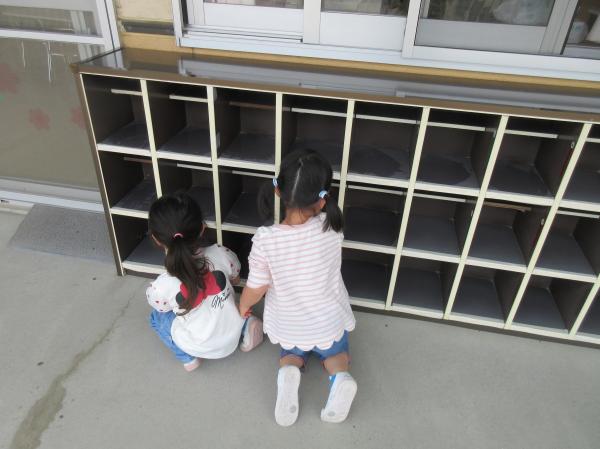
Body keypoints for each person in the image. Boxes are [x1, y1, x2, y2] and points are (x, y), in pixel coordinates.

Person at [239, 149, 357, 426]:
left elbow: (257, 287)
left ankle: (289, 372)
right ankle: (340, 377)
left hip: (290, 324)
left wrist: (243, 305)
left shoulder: (266, 240)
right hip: (329, 320)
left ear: (277, 190)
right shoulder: (332, 226)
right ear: (323, 198)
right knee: (337, 354)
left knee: (290, 354)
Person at [146, 192, 263, 371]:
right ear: (202, 228)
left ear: (156, 239)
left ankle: (187, 357)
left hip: (199, 344)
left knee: (157, 317)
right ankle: (246, 325)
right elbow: (236, 277)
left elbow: (161, 306)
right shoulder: (220, 252)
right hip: (231, 331)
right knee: (233, 306)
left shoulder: (163, 285)